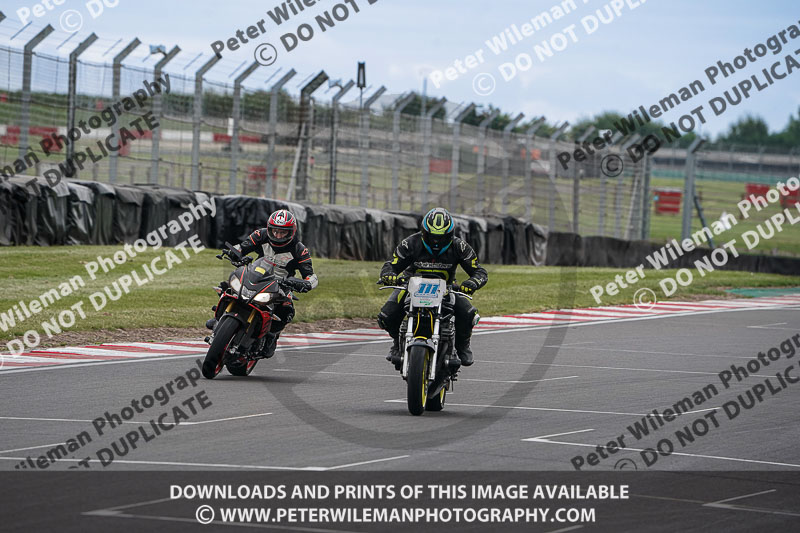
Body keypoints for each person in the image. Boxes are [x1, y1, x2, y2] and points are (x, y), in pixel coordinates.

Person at [377, 207, 488, 366]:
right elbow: (391, 264)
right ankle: (397, 343)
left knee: (469, 314)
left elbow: (479, 271)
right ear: (424, 232)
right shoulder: (410, 243)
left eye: (441, 237)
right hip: (410, 287)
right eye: (432, 237)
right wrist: (388, 275)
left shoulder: (460, 246)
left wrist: (472, 283)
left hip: (446, 289)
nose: (436, 242)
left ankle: (463, 346)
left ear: (450, 234)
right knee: (386, 316)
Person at [210, 209, 318, 359]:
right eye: (275, 231)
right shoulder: (260, 235)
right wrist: (235, 253)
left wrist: (306, 283)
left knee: (287, 311)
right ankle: (220, 318)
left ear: (291, 232)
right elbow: (243, 246)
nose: (278, 235)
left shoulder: (300, 249)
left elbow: (311, 276)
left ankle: (271, 337)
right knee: (227, 285)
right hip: (256, 275)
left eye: (283, 232)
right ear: (269, 228)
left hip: (282, 285)